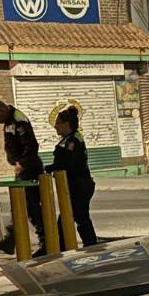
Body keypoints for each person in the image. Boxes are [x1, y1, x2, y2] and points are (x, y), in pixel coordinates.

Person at [0, 97, 42, 255]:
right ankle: (10, 241)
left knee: (33, 208)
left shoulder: (18, 120)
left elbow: (32, 146)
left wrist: (22, 162)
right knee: (19, 207)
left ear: (1, 110)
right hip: (21, 170)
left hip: (29, 170)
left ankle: (46, 242)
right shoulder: (9, 121)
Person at [45, 105, 98, 249]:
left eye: (58, 123)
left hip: (79, 186)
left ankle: (86, 246)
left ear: (67, 124)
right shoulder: (68, 139)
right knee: (74, 218)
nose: (55, 126)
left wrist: (50, 168)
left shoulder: (73, 141)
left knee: (74, 218)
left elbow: (67, 164)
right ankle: (86, 245)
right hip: (74, 185)